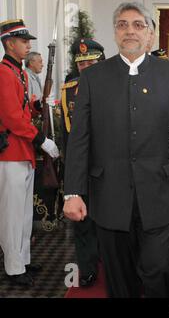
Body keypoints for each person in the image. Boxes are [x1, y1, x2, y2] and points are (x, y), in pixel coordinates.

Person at [63, 2, 169, 298]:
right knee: (120, 280)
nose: (130, 30)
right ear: (115, 32)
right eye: (123, 24)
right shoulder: (92, 77)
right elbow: (79, 139)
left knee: (160, 271)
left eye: (138, 25)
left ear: (150, 34)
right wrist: (73, 192)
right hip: (109, 196)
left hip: (161, 193)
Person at [0, 19, 59, 287]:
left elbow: (22, 108)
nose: (29, 45)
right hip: (9, 152)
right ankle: (13, 268)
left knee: (24, 215)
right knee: (11, 215)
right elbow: (11, 118)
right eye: (24, 41)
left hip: (22, 152)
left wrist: (36, 105)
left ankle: (22, 259)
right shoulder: (2, 73)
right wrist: (42, 139)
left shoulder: (20, 74)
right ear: (9, 43)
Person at [61, 38, 105, 288]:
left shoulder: (116, 86)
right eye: (81, 62)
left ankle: (111, 261)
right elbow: (69, 136)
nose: (86, 66)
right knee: (82, 221)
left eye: (91, 61)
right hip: (82, 166)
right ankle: (87, 268)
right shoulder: (69, 91)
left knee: (110, 218)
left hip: (111, 166)